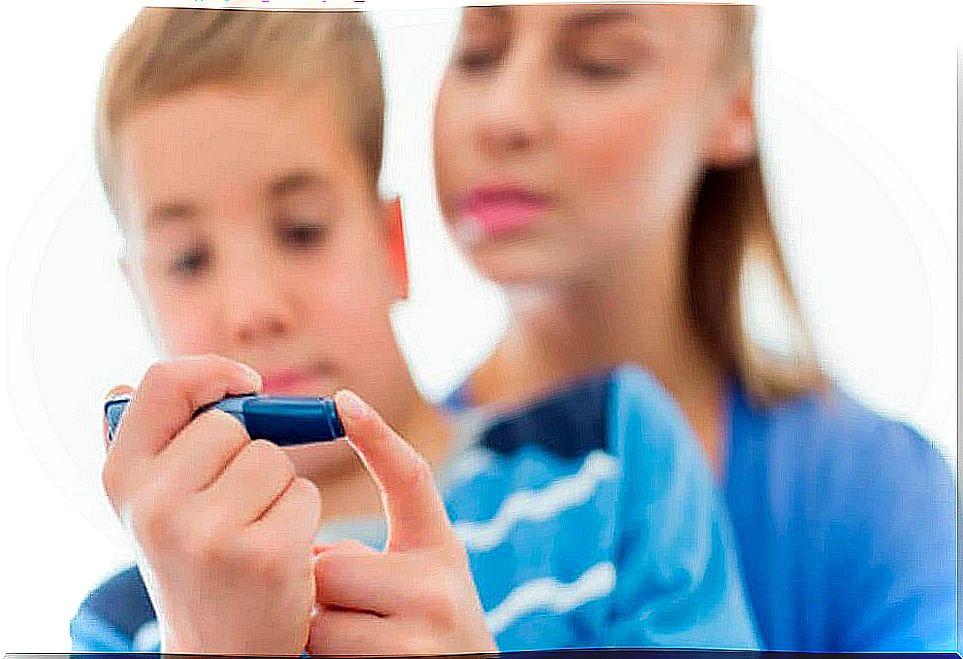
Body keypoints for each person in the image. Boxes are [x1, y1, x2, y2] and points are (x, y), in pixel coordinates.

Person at [70, 8, 760, 655]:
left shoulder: (609, 455)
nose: (253, 308)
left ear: (391, 246)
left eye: (302, 230)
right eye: (189, 260)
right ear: (139, 297)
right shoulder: (123, 624)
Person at [431, 3, 957, 652]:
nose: (502, 115)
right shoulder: (374, 487)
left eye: (599, 64)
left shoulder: (866, 485)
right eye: (477, 52)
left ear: (734, 107)